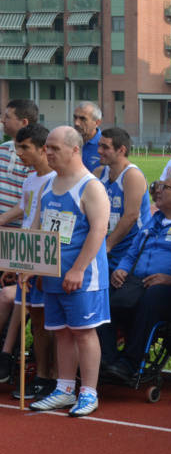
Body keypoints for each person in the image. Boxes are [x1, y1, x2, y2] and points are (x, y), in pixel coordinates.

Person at [28, 126, 110, 417]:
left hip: (83, 277)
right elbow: (38, 228)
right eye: (46, 147)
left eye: (54, 148)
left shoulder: (91, 186)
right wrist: (32, 266)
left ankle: (88, 392)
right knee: (62, 333)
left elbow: (99, 230)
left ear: (75, 149)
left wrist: (78, 268)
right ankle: (64, 389)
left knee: (83, 332)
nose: (47, 152)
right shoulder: (47, 185)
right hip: (52, 275)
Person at [103, 173, 171, 383]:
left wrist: (170, 280)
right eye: (158, 185)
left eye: (165, 187)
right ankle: (107, 360)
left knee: (153, 296)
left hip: (170, 289)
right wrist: (122, 269)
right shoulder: (154, 221)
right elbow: (132, 253)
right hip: (137, 282)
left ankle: (130, 363)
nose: (157, 190)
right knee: (102, 291)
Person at [0, 124, 55, 398]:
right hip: (28, 255)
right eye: (17, 147)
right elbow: (25, 211)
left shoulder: (56, 180)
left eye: (25, 148)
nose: (19, 153)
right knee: (34, 318)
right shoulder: (31, 179)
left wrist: (31, 262)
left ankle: (48, 376)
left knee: (46, 321)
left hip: (44, 257)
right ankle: (39, 373)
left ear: (42, 149)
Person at [94, 127, 151, 267]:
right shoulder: (99, 172)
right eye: (99, 146)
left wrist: (106, 246)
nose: (99, 151)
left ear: (121, 150)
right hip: (106, 245)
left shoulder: (132, 175)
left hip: (130, 249)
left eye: (105, 147)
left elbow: (131, 216)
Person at [0, 99, 36, 223]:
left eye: (8, 117)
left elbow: (31, 197)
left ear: (24, 122)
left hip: (19, 235)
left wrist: (3, 219)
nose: (2, 120)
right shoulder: (2, 149)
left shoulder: (36, 157)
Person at [72, 101, 103, 172]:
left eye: (83, 119)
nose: (76, 123)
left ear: (97, 122)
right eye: (75, 117)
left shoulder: (105, 146)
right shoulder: (68, 143)